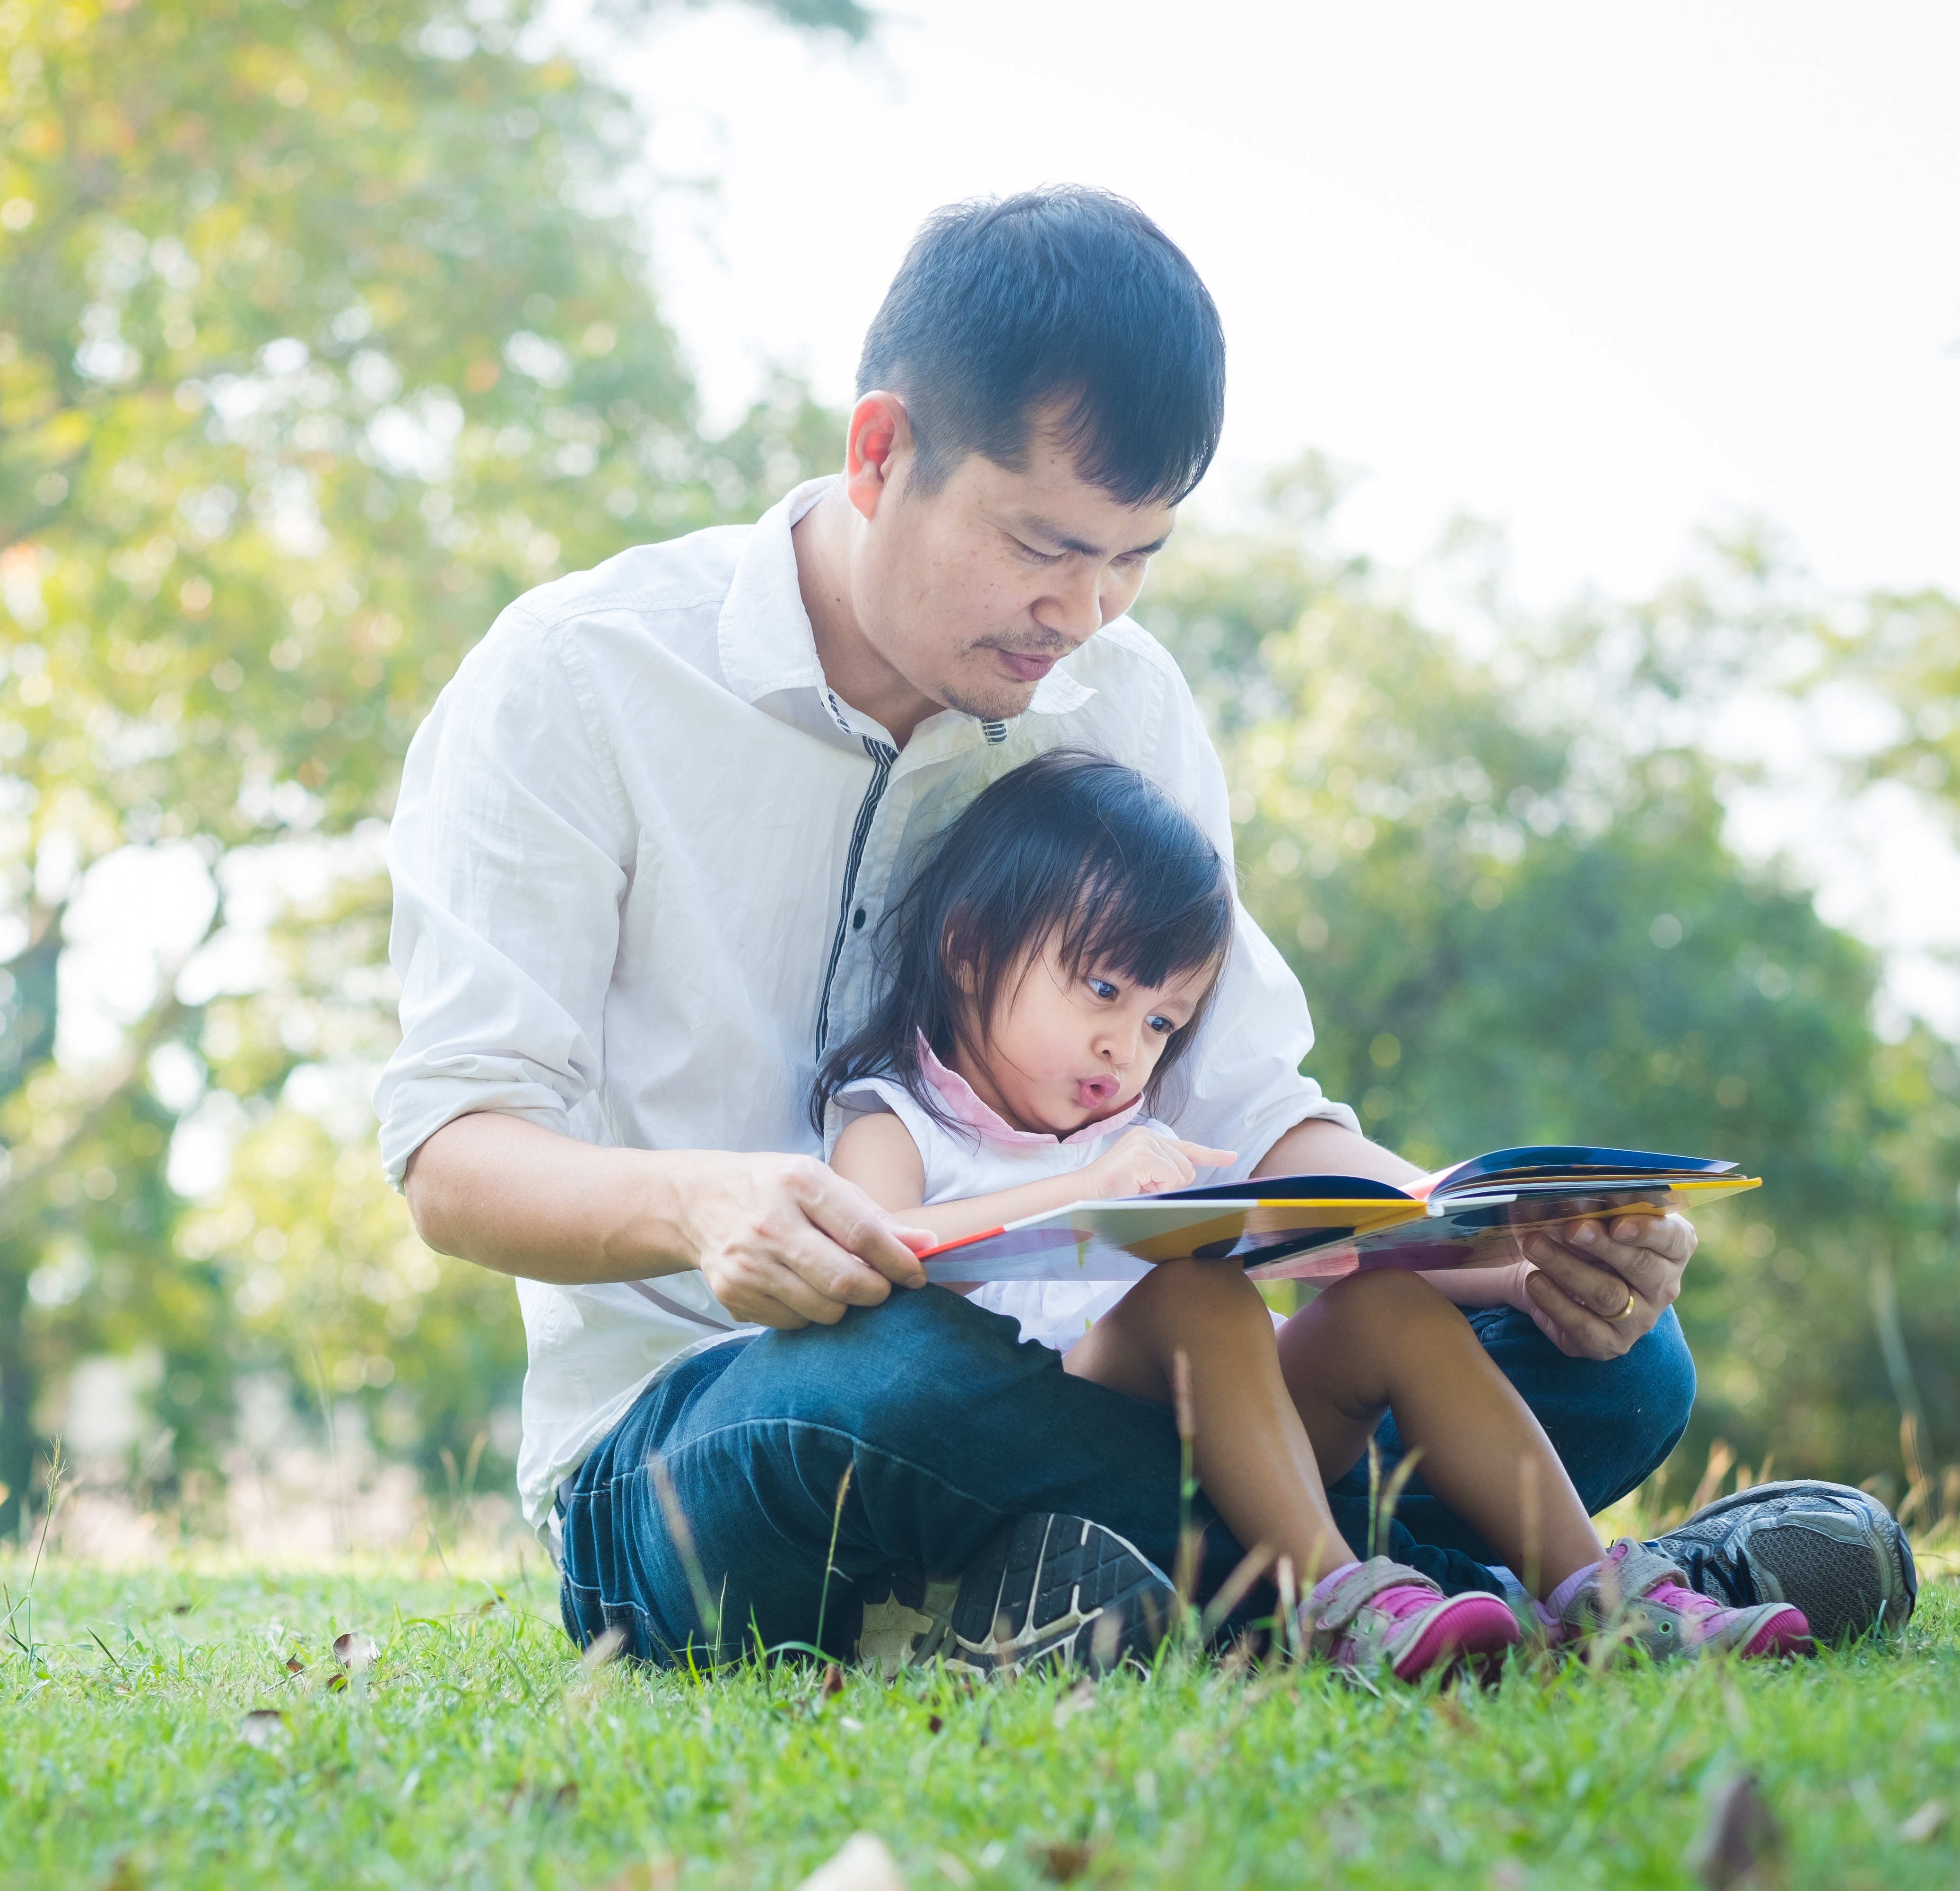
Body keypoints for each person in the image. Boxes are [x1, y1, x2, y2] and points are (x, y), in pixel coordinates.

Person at [379, 186, 1913, 1669]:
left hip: (1135, 1389)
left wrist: (1497, 1250)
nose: (1087, 614)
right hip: (721, 1428)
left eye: (1137, 557)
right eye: (1046, 546)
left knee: (1617, 1370)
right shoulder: (582, 678)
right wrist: (711, 1208)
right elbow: (458, 1158)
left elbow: (1251, 1117)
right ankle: (1570, 1582)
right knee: (889, 1390)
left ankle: (1109, 1597)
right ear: (879, 453)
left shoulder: (1123, 701)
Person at [817, 748, 1812, 1673]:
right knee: (1193, 1295)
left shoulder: (1140, 1131)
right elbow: (874, 1248)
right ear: (969, 949)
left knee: (1385, 1303)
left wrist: (1524, 1271)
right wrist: (1084, 1189)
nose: (1127, 1045)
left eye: (1161, 1020)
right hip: (1052, 1439)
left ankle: (1603, 1590)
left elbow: (1303, 1247)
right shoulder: (895, 1119)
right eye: (1104, 989)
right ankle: (1340, 1599)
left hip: (1229, 1441)